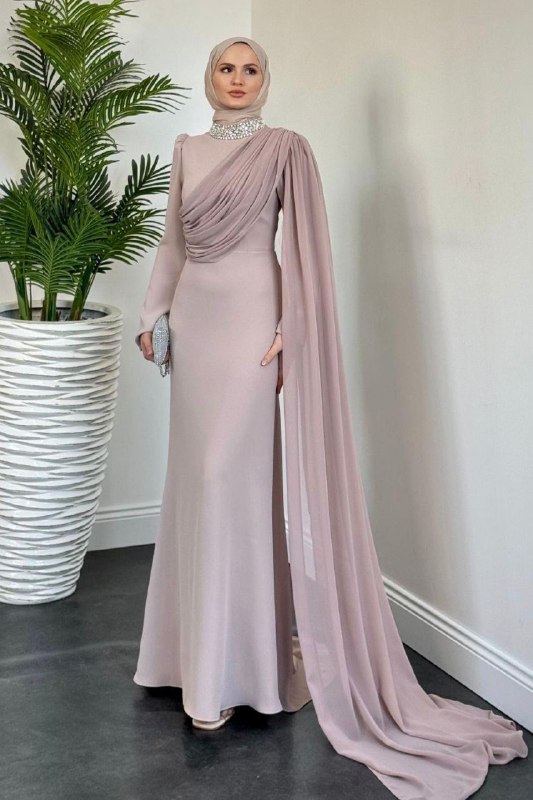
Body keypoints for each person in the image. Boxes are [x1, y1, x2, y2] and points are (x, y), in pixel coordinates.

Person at [133, 35, 528, 800]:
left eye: (250, 69)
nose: (238, 79)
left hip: (254, 320)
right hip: (197, 320)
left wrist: (295, 327)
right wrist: (153, 313)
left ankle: (237, 671)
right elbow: (173, 245)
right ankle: (188, 660)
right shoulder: (185, 150)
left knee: (231, 481)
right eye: (226, 68)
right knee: (197, 484)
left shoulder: (286, 149)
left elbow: (307, 251)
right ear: (209, 77)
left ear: (265, 80)